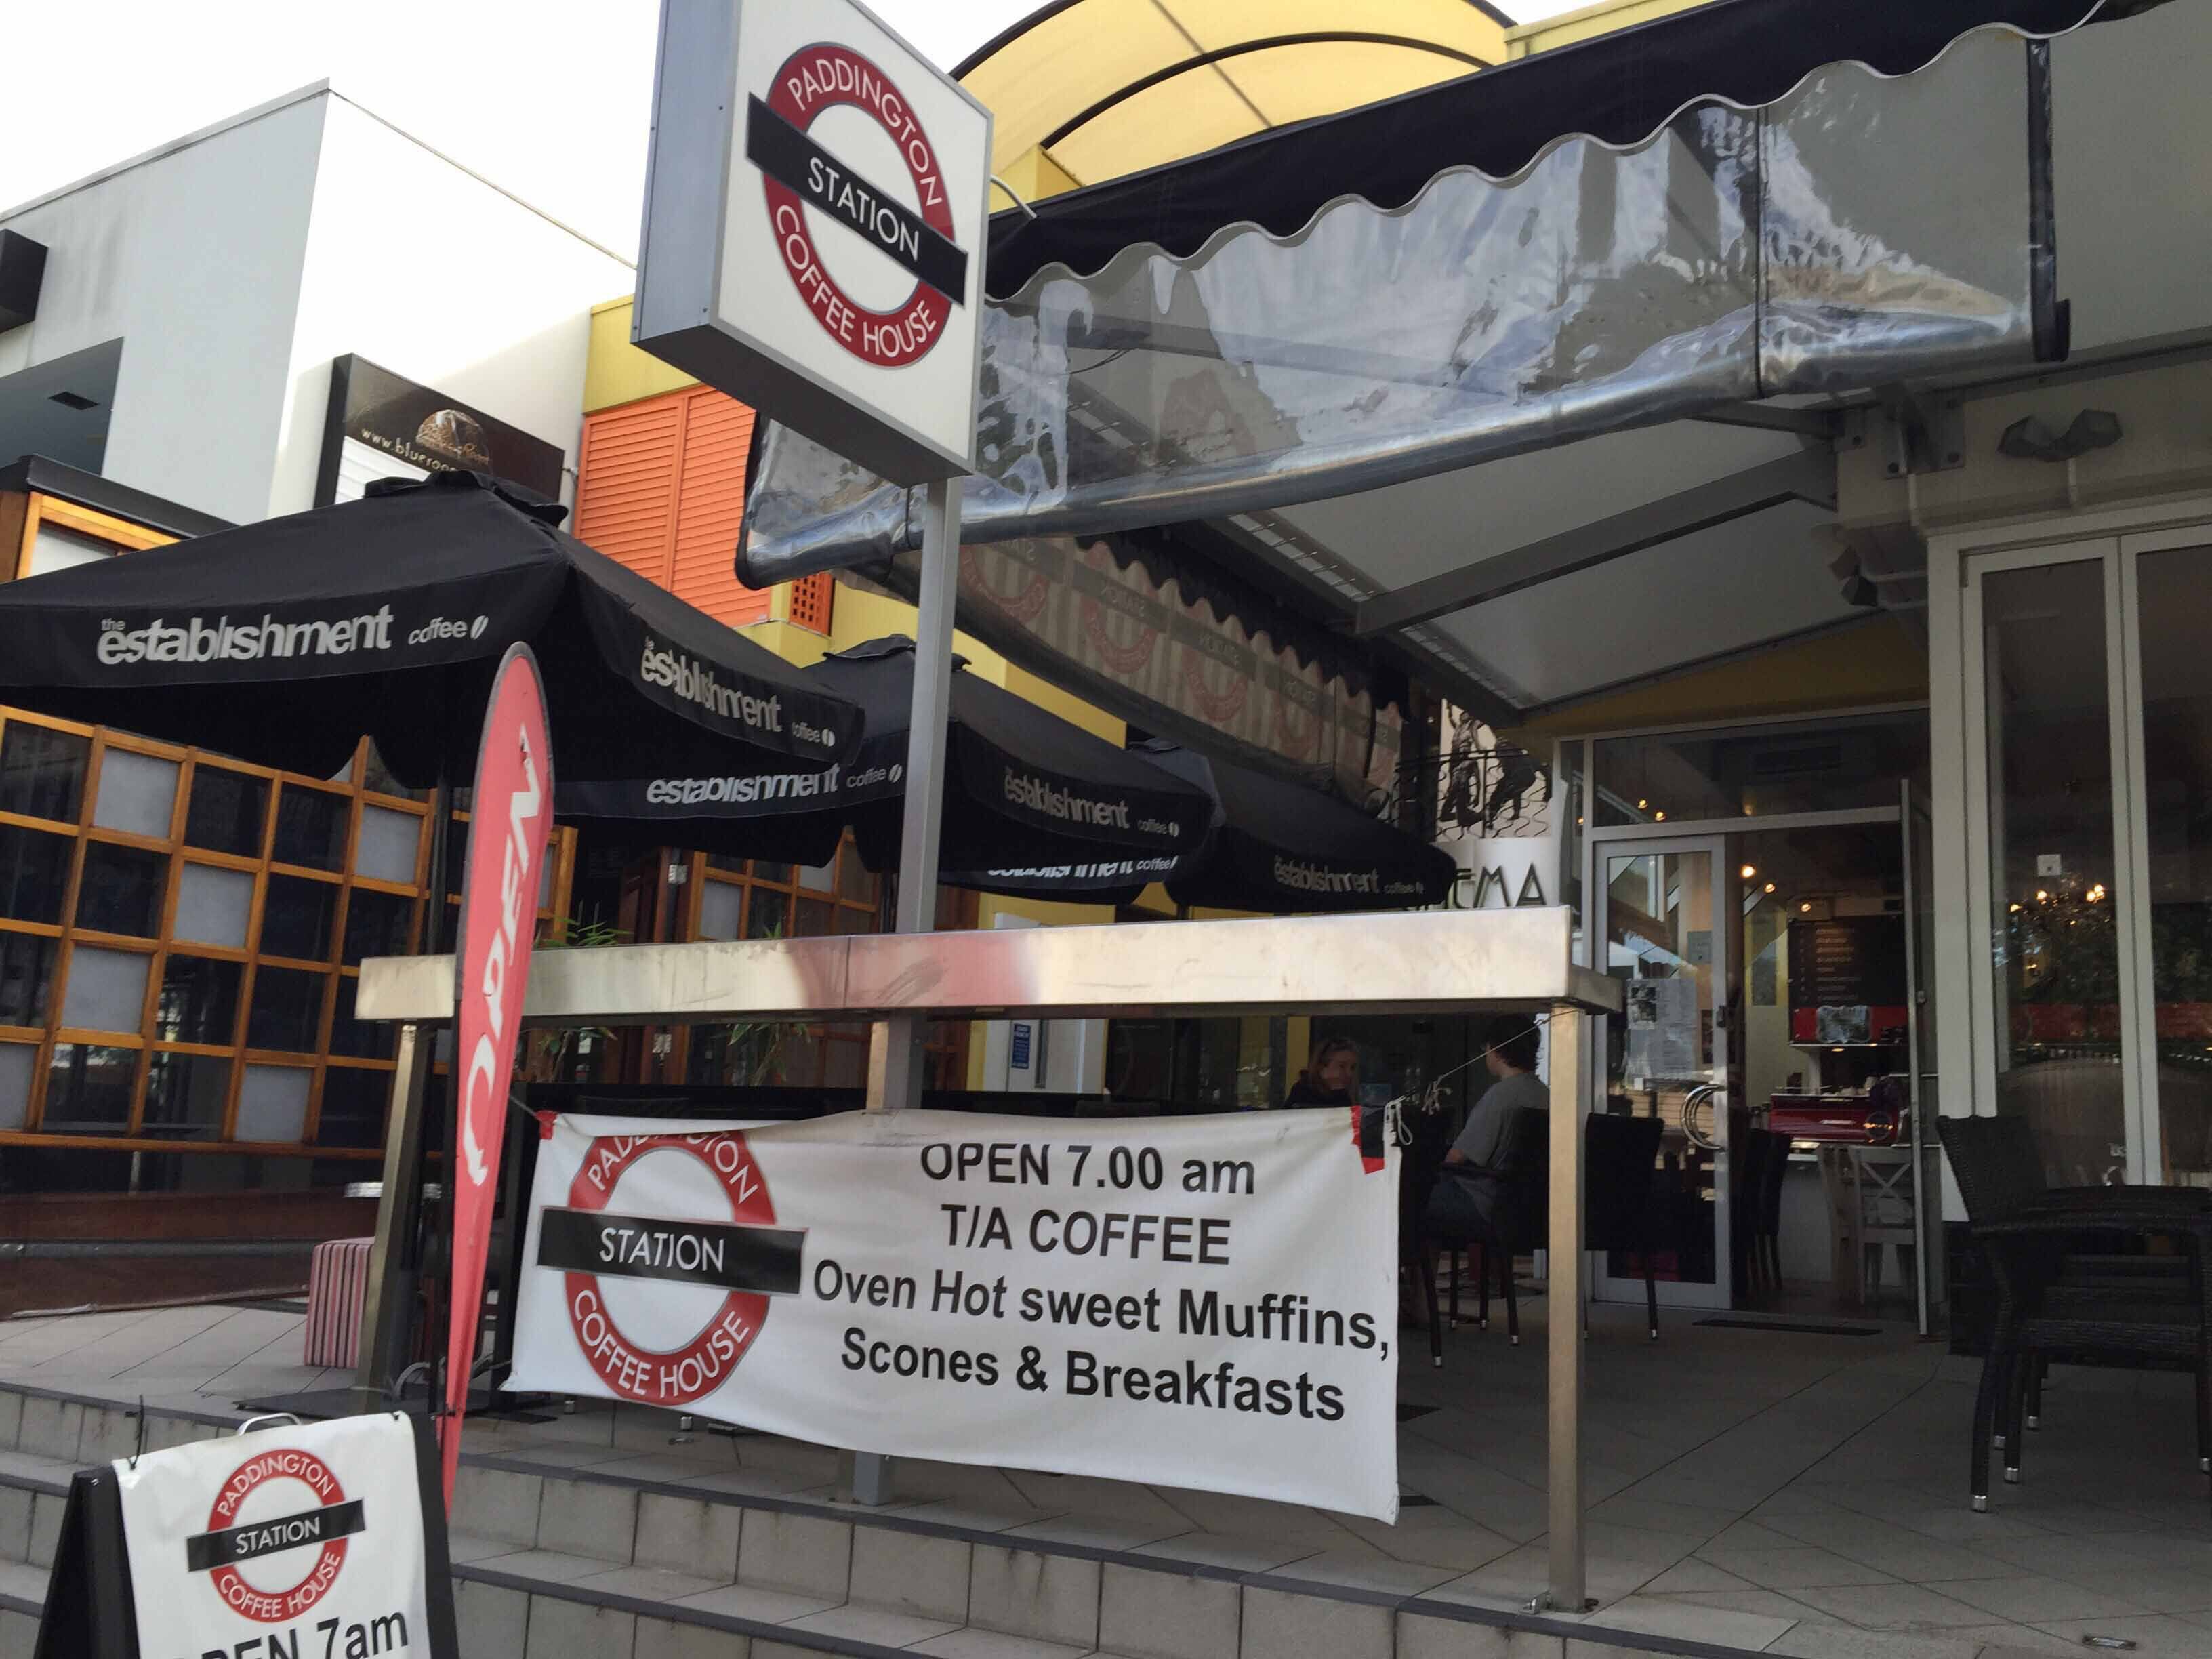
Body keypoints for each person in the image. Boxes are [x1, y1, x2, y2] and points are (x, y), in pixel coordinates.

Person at [1282, 1036, 1358, 1108]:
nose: (1349, 1073)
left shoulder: (1346, 1099)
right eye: (1342, 1066)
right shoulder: (1301, 1094)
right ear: (1322, 1067)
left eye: (1352, 1068)